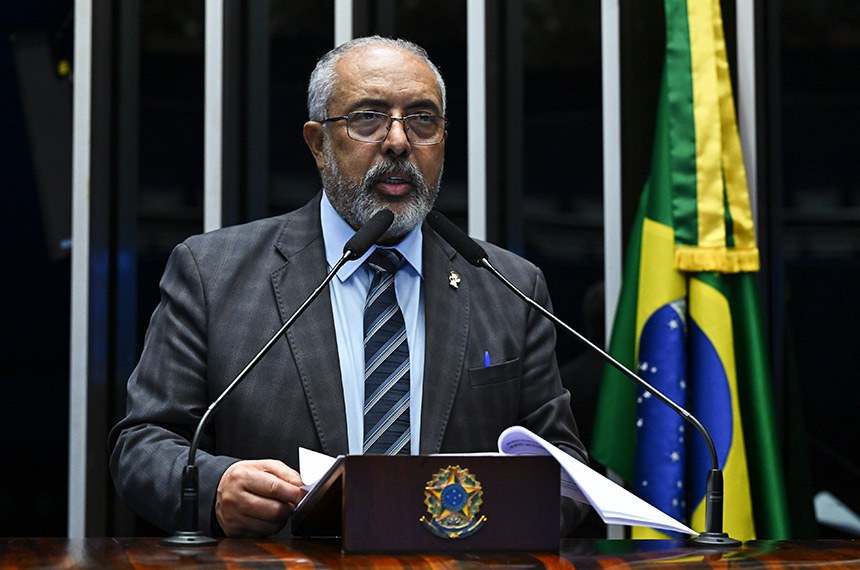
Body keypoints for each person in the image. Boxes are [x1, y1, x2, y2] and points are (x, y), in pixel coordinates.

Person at [109, 35, 589, 539]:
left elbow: (566, 474)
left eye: (423, 119)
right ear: (318, 143)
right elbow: (142, 445)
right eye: (369, 118)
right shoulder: (213, 273)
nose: (399, 142)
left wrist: (482, 523)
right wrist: (215, 487)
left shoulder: (508, 285)